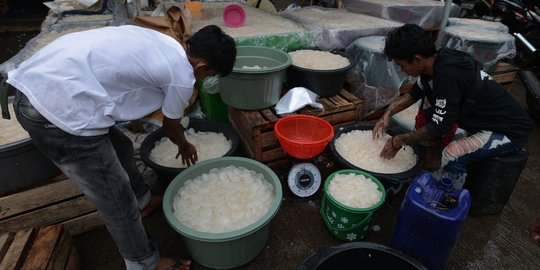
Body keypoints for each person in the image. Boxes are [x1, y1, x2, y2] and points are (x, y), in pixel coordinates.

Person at [7, 24, 236, 270]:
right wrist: (186, 146)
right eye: (209, 75)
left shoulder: (168, 43)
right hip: (55, 110)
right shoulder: (182, 75)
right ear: (202, 66)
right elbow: (171, 127)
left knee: (122, 146)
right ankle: (145, 263)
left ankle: (143, 201)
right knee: (116, 198)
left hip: (40, 81)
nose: (203, 80)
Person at [373, 23, 533, 189]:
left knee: (452, 154)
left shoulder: (448, 75)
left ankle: (445, 197)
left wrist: (397, 140)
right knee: (427, 113)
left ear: (417, 59)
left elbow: (440, 126)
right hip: (482, 119)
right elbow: (415, 92)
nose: (402, 70)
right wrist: (388, 113)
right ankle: (431, 162)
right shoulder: (436, 61)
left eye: (401, 65)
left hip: (509, 131)